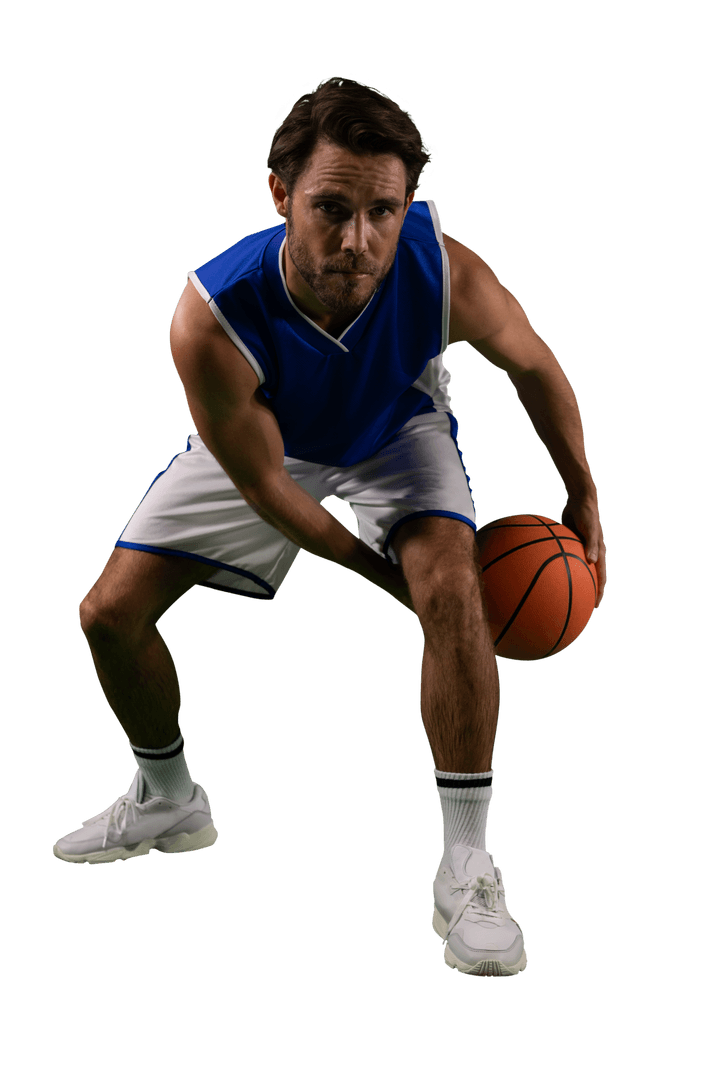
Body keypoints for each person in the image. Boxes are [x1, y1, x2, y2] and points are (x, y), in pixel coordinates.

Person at [53, 76, 606, 978]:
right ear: (280, 195)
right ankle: (168, 798)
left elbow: (536, 367)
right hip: (269, 448)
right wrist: (382, 578)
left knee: (455, 585)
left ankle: (465, 868)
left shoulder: (443, 272)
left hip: (395, 427)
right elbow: (272, 490)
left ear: (408, 204)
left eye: (382, 210)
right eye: (330, 208)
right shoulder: (211, 317)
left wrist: (581, 493)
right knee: (106, 616)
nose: (357, 239)